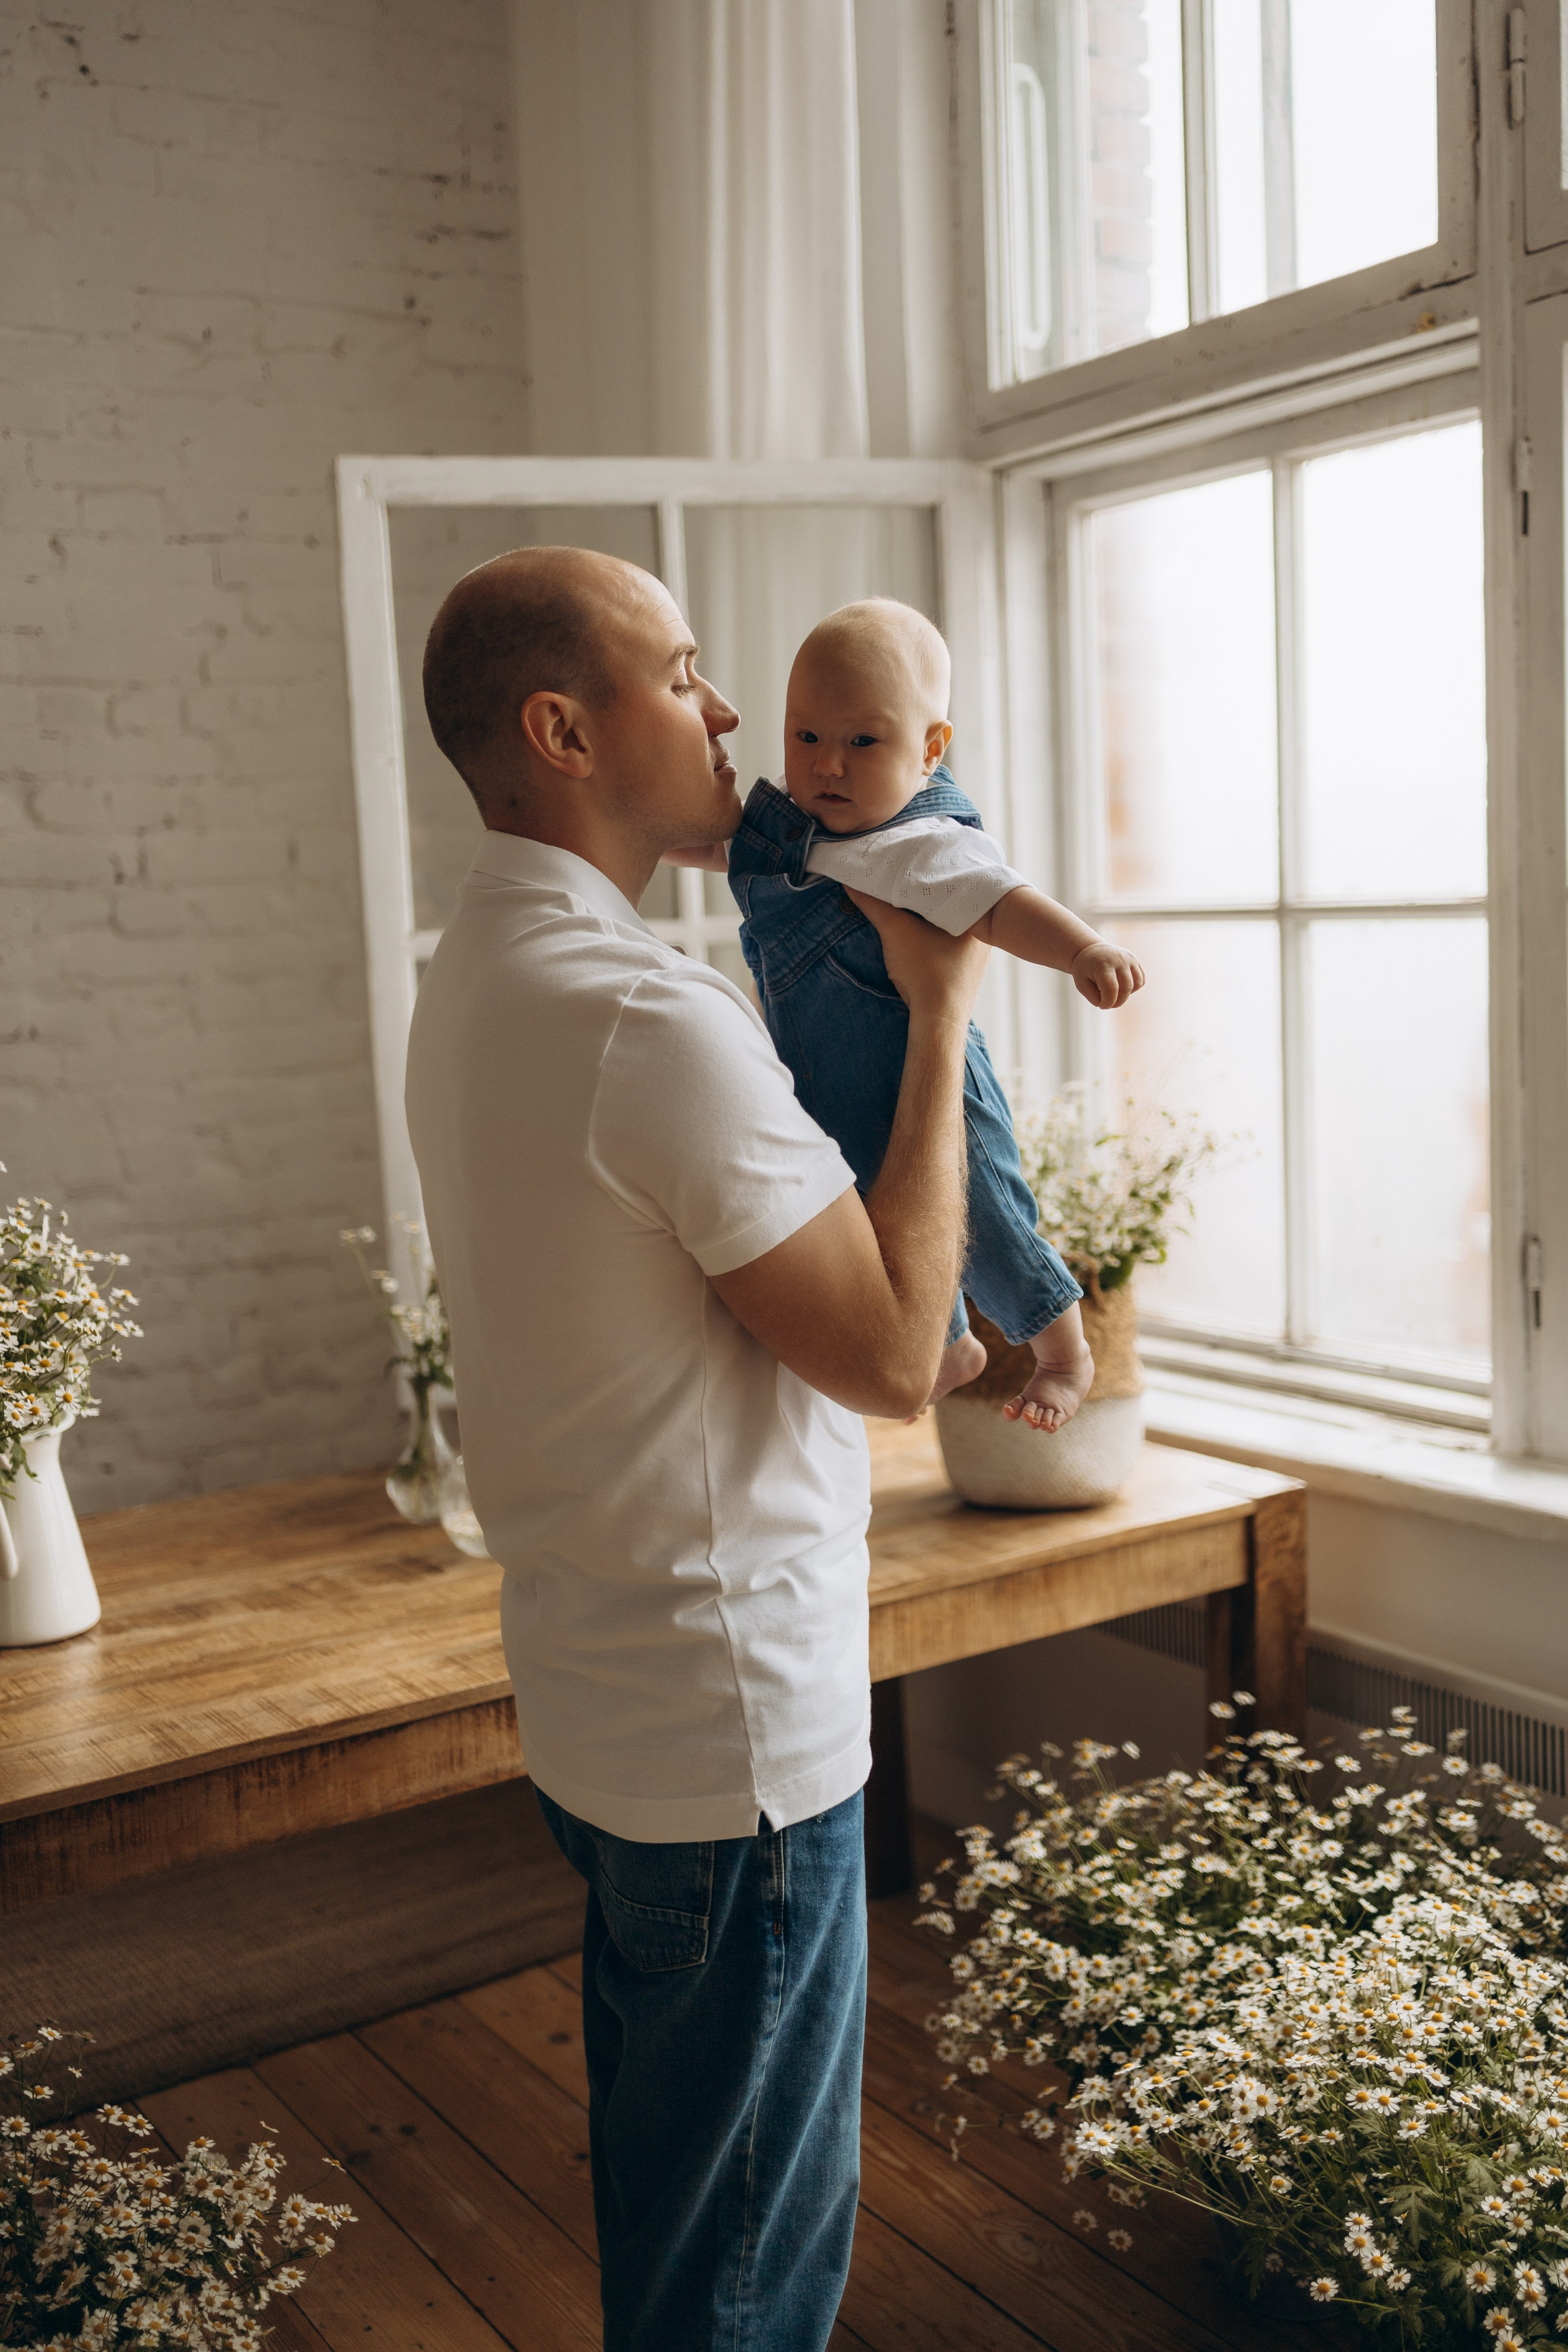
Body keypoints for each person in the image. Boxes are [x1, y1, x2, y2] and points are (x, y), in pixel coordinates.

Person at [404, 546, 988, 2352]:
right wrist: (945, 994)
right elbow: (897, 1359)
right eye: (683, 669)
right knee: (741, 2274)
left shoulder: (481, 973)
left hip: (603, 1695)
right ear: (565, 730)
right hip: (731, 1735)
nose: (733, 710)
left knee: (679, 2207)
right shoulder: (646, 1017)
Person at [668, 597, 1145, 1432]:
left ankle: (1065, 1353)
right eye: (806, 736)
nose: (829, 767)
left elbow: (1002, 905)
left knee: (985, 1215)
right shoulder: (788, 831)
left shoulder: (925, 843)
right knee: (876, 1234)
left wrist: (1082, 951)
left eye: (864, 742)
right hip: (819, 1091)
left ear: (929, 749)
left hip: (929, 1086)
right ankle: (950, 1345)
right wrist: (644, 835)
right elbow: (718, 848)